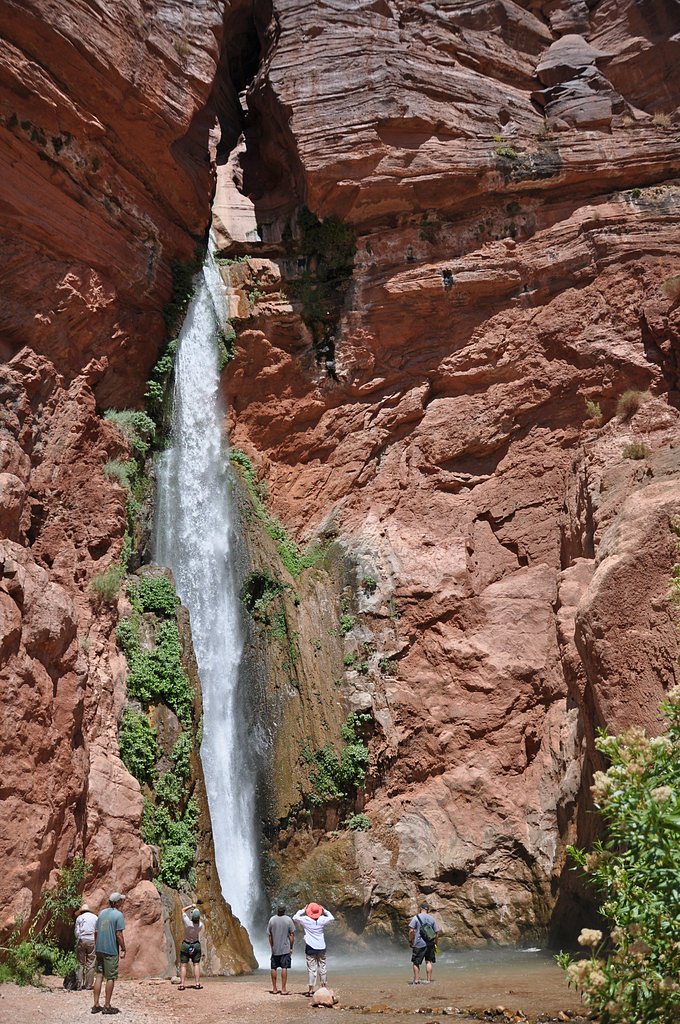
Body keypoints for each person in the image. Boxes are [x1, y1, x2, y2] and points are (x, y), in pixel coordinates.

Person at [92, 892, 126, 1014]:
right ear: (116, 902)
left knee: (99, 975)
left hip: (99, 949)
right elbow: (119, 934)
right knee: (110, 977)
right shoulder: (118, 915)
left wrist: (97, 946)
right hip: (111, 951)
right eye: (121, 901)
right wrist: (123, 948)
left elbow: (95, 932)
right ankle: (107, 1005)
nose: (122, 902)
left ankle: (96, 1004)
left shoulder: (101, 913)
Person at [293, 902, 334, 996]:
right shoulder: (322, 919)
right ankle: (324, 987)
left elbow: (295, 917)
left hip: (310, 946)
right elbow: (332, 918)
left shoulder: (306, 919)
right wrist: (325, 911)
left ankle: (311, 990)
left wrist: (303, 910)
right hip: (321, 946)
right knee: (322, 967)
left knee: (312, 969)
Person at [266, 904, 295, 995]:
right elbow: (291, 935)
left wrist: (272, 947)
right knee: (284, 967)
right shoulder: (288, 920)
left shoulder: (272, 920)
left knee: (273, 967)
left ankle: (274, 988)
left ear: (277, 910)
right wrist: (291, 947)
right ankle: (283, 989)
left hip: (275, 949)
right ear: (284, 910)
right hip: (285, 948)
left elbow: (270, 936)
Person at [408, 900, 439, 985]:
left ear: (420, 909)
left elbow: (411, 931)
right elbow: (436, 932)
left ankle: (417, 980)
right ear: (427, 910)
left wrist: (410, 941)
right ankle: (428, 980)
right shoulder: (432, 918)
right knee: (428, 961)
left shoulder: (416, 918)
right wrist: (436, 943)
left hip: (418, 944)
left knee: (416, 962)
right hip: (430, 944)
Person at [179, 903, 204, 990]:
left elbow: (182, 910)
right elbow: (198, 919)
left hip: (186, 944)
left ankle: (182, 984)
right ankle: (197, 983)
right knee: (196, 964)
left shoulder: (187, 923)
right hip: (195, 945)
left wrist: (191, 906)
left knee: (183, 965)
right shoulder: (200, 925)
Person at [75, 902, 98, 990]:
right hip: (92, 940)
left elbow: (77, 932)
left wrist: (78, 939)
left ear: (81, 911)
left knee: (80, 963)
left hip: (82, 939)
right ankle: (88, 985)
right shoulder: (95, 917)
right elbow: (97, 930)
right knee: (91, 963)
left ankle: (79, 984)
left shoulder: (79, 918)